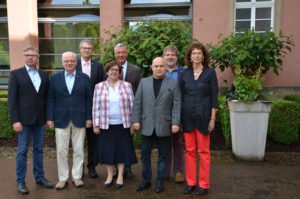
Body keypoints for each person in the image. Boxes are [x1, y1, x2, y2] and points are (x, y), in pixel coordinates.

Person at [8, 46, 54, 194]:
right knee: (22, 151)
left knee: (39, 149)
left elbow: (46, 98)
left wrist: (48, 118)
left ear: (37, 57)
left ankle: (39, 177)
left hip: (39, 120)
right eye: (28, 55)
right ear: (24, 56)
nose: (30, 58)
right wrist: (15, 120)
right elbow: (12, 100)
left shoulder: (43, 74)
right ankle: (21, 181)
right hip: (23, 121)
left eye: (33, 55)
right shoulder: (16, 74)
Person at [132, 57, 181, 193]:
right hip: (147, 124)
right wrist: (135, 120)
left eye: (161, 66)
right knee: (145, 154)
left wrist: (175, 122)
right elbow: (137, 103)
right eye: (156, 66)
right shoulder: (144, 82)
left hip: (165, 125)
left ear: (166, 67)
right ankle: (146, 180)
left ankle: (160, 182)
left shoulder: (173, 83)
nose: (158, 68)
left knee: (163, 156)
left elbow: (176, 105)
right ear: (152, 67)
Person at [46, 52, 92, 190]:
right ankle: (62, 178)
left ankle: (77, 177)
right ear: (62, 62)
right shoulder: (54, 78)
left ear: (76, 62)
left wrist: (89, 117)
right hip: (61, 118)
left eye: (72, 60)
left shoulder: (84, 78)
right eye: (66, 61)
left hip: (80, 117)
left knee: (79, 149)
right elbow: (50, 99)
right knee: (61, 150)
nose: (69, 63)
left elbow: (88, 99)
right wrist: (49, 117)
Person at [180, 43, 218, 196]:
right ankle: (190, 182)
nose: (196, 56)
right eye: (193, 53)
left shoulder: (210, 73)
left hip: (203, 117)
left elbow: (214, 97)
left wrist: (213, 118)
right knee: (189, 151)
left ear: (203, 56)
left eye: (199, 53)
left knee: (203, 152)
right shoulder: (185, 73)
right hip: (187, 117)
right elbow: (181, 96)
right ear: (190, 56)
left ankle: (203, 184)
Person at [92, 61, 137, 189]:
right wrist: (96, 124)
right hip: (106, 124)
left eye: (117, 70)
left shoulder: (127, 86)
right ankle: (109, 176)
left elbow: (133, 106)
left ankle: (120, 176)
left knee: (121, 151)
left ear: (119, 72)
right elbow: (95, 106)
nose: (114, 72)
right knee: (108, 151)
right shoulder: (99, 87)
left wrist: (133, 124)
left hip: (123, 124)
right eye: (111, 70)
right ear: (107, 72)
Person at [76, 40, 105, 179]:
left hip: (94, 108)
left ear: (92, 50)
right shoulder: (73, 64)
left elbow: (102, 86)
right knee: (78, 141)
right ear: (80, 50)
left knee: (93, 141)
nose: (87, 50)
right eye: (84, 48)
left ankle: (91, 167)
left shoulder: (98, 66)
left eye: (89, 48)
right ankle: (79, 168)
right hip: (78, 109)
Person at [113, 43, 141, 179]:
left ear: (127, 53)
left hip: (129, 111)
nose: (121, 55)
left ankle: (128, 168)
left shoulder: (135, 70)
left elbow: (138, 91)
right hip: (113, 112)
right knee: (114, 142)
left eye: (123, 52)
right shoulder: (110, 69)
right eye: (118, 52)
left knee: (127, 141)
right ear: (114, 54)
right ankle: (115, 169)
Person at [162, 45, 185, 183]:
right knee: (164, 144)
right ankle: (164, 171)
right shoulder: (159, 70)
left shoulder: (184, 72)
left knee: (177, 143)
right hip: (163, 114)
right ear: (164, 57)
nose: (170, 57)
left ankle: (178, 171)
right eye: (167, 55)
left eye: (173, 55)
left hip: (179, 113)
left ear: (176, 57)